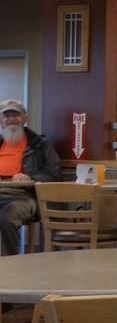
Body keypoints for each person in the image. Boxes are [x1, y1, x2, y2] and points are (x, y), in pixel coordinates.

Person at [0, 99, 60, 256]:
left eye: (16, 115)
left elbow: (53, 174)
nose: (11, 119)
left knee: (7, 217)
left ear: (25, 118)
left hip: (24, 196)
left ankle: (9, 262)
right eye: (7, 115)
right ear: (1, 119)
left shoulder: (40, 144)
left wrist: (30, 177)